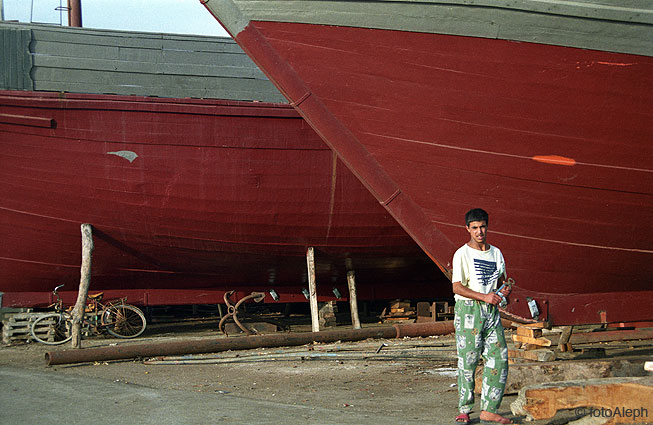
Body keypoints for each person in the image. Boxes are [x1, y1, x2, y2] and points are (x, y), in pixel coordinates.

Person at [452, 208, 512, 425]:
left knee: (499, 358)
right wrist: (484, 297)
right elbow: (457, 286)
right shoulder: (462, 254)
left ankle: (489, 409)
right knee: (468, 360)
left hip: (491, 311)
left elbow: (502, 281)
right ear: (467, 229)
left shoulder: (496, 253)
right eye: (475, 228)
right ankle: (465, 409)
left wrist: (503, 291)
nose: (479, 232)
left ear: (487, 227)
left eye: (482, 227)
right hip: (469, 310)